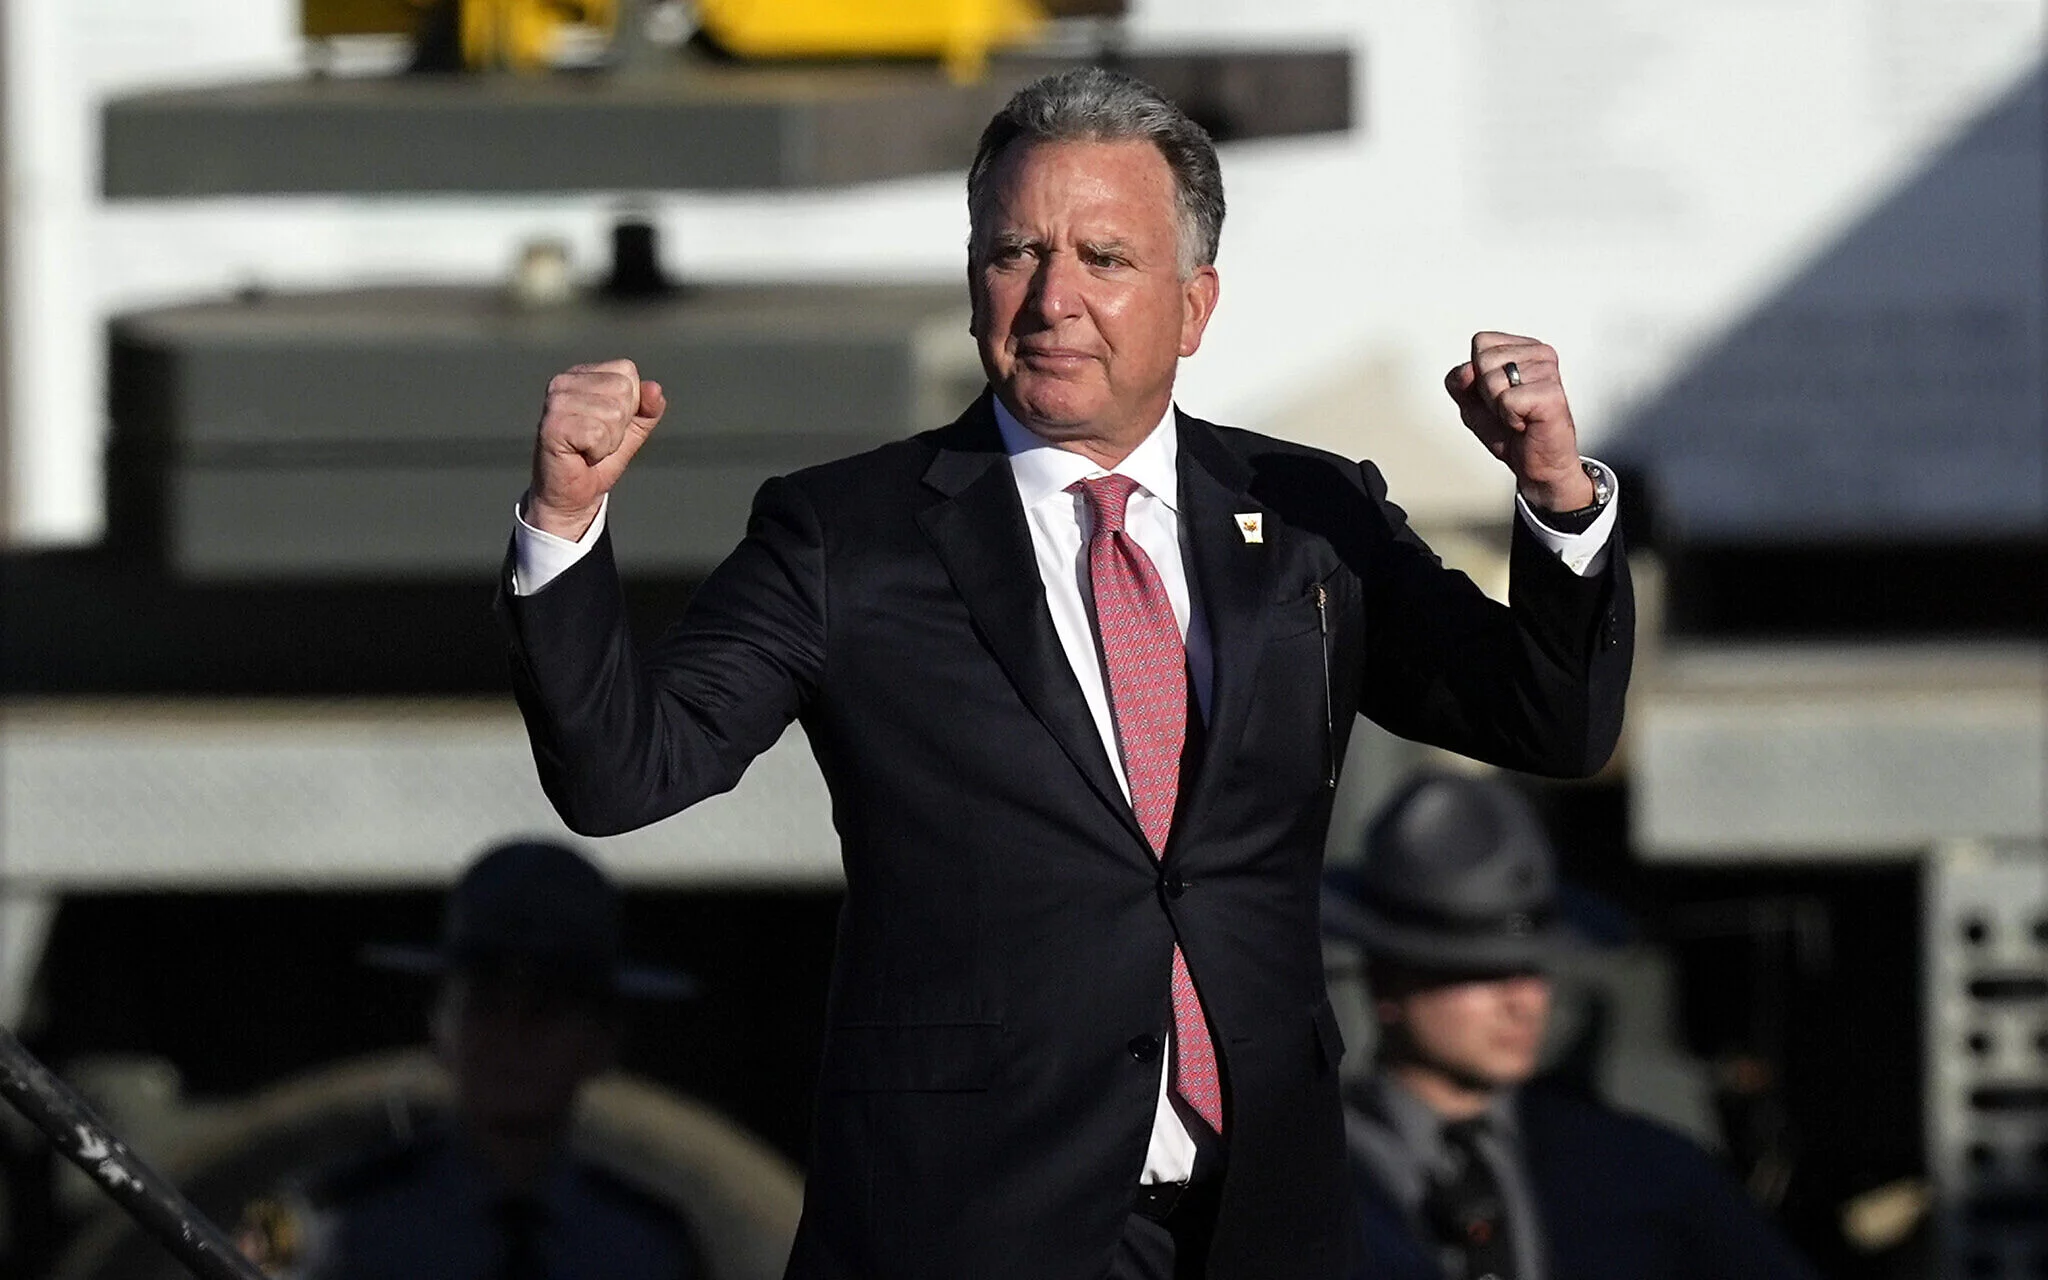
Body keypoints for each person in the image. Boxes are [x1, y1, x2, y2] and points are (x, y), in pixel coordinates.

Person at [496, 68, 1633, 1280]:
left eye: (1103, 257)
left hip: (1257, 1218)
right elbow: (625, 772)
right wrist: (565, 522)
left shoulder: (1306, 513)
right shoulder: (849, 534)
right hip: (968, 1220)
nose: (1052, 299)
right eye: (1014, 253)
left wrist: (1557, 499)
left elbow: (1548, 720)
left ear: (1192, 307)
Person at [1323, 773, 1817, 1280]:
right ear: (1387, 980)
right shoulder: (1303, 1177)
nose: (1523, 1001)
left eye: (1533, 967)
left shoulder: (1644, 1173)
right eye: (1481, 970)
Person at [239, 839, 701, 1280]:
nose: (511, 1038)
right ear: (438, 1026)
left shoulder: (649, 1246)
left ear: (604, 1041)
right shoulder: (323, 1223)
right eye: (484, 1007)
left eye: (544, 1013)